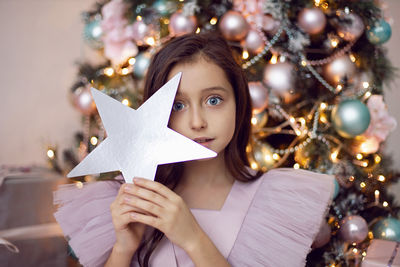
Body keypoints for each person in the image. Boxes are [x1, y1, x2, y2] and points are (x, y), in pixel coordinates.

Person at [54, 33, 334, 267]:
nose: (197, 122)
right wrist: (124, 248)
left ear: (239, 103)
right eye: (178, 105)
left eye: (214, 100)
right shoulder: (129, 197)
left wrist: (192, 237)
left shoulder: (272, 202)